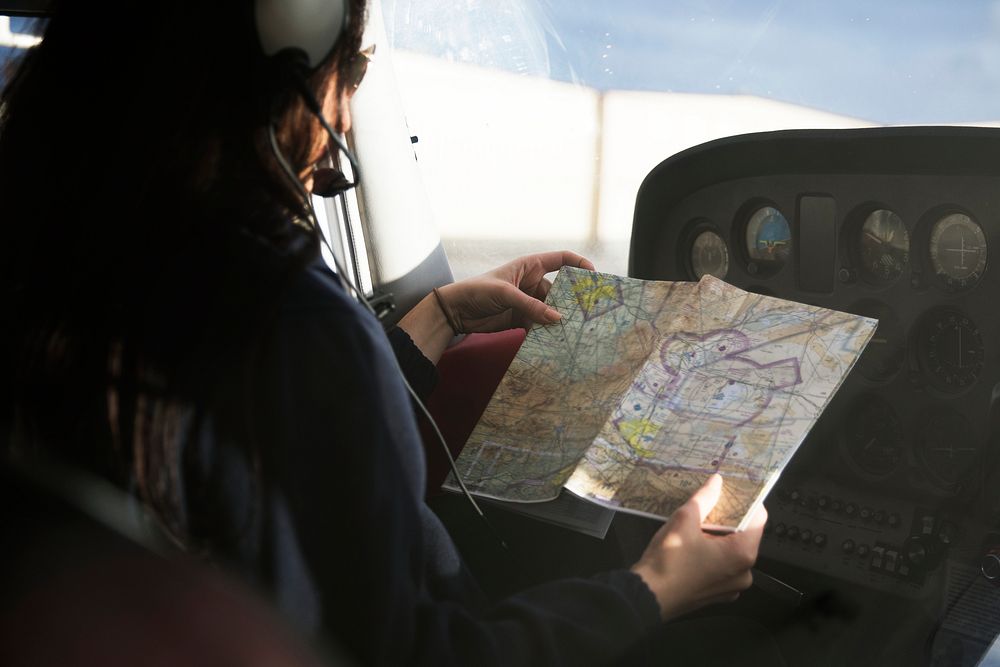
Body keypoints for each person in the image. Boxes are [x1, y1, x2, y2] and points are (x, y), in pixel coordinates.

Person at [0, 0, 766, 664]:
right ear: (289, 54)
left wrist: (434, 321)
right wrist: (655, 588)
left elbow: (282, 454)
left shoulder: (73, 255)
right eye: (351, 72)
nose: (344, 116)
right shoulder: (289, 325)